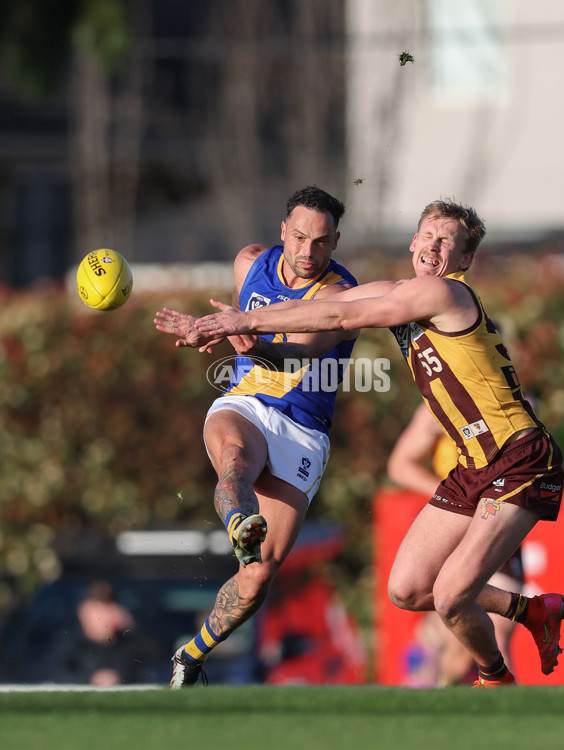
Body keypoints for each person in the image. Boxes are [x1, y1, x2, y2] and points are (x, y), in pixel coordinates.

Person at [192, 199, 564, 688]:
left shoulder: (443, 293)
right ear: (412, 241)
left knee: (452, 596)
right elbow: (320, 308)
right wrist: (240, 321)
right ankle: (534, 611)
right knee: (408, 590)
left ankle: (496, 684)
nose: (433, 248)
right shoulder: (403, 290)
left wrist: (242, 323)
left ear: (465, 261)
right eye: (427, 237)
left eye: (447, 243)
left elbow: (347, 319)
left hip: (519, 458)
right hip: (473, 465)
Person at [154, 185, 358, 688]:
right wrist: (221, 330)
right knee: (236, 462)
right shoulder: (250, 264)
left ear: (336, 242)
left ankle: (190, 656)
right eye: (300, 237)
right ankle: (241, 522)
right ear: (282, 232)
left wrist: (239, 336)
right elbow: (243, 333)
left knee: (260, 575)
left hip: (304, 430)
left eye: (322, 242)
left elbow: (296, 359)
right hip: (246, 403)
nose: (308, 252)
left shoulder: (339, 296)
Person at [387, 401, 524, 685]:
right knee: (438, 641)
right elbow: (400, 465)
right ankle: (418, 715)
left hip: (495, 523)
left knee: (493, 636)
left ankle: (514, 720)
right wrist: (453, 500)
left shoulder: (513, 402)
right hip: (456, 528)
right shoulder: (438, 407)